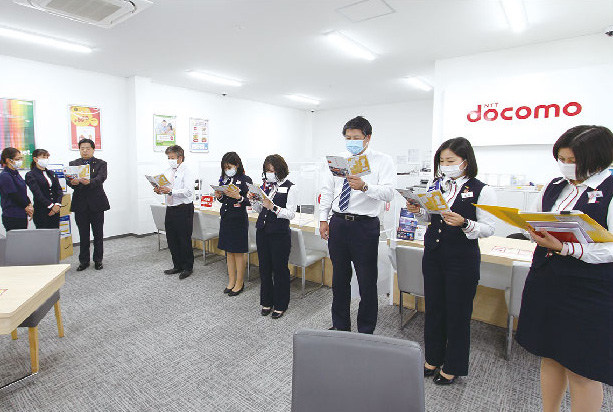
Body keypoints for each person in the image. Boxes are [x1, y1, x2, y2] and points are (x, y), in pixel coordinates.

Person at [515, 126, 613, 412]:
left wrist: (567, 247)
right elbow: (534, 219)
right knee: (550, 354)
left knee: (582, 368)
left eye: (573, 160)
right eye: (562, 159)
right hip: (547, 279)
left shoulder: (608, 189)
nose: (567, 165)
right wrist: (532, 231)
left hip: (588, 288)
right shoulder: (556, 186)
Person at [406, 137, 496, 385]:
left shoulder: (481, 189)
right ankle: (432, 358)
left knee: (457, 313)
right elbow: (430, 219)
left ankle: (453, 365)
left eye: (450, 161)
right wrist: (419, 211)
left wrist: (465, 223)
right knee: (434, 308)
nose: (445, 166)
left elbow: (489, 228)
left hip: (461, 259)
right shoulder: (436, 184)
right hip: (434, 255)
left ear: (465, 161)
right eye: (442, 161)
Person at [319, 116, 395, 334]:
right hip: (338, 223)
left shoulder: (382, 161)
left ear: (367, 138)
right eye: (348, 138)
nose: (351, 142)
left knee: (366, 280)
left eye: (356, 138)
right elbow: (327, 190)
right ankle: (340, 325)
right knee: (339, 278)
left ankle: (366, 329)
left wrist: (365, 186)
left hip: (365, 226)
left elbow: (389, 193)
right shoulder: (338, 160)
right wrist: (323, 219)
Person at [248, 154, 297, 319]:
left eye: (272, 170)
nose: (270, 174)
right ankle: (266, 301)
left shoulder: (290, 187)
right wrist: (254, 201)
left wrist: (273, 207)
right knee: (264, 268)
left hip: (279, 234)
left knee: (280, 269)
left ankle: (281, 304)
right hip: (263, 231)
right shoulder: (266, 187)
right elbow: (260, 210)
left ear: (281, 170)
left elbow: (291, 214)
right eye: (267, 170)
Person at [67, 138, 110, 271]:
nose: (85, 151)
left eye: (87, 148)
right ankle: (84, 261)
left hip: (97, 203)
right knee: (83, 234)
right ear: (79, 149)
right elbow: (69, 180)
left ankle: (98, 260)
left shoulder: (101, 163)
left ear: (93, 149)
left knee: (98, 234)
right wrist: (72, 183)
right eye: (82, 148)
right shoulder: (73, 164)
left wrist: (90, 182)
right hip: (80, 203)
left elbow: (101, 177)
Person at [154, 145, 196, 280]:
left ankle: (187, 267)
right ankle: (177, 265)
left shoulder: (187, 171)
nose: (170, 160)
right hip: (170, 207)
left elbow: (188, 191)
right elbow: (166, 188)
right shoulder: (167, 171)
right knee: (172, 238)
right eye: (168, 157)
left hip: (183, 208)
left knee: (184, 238)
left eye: (172, 158)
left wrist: (171, 191)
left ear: (180, 157)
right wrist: (159, 190)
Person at [214, 152, 252, 296]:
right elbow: (225, 200)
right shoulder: (224, 179)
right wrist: (219, 196)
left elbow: (251, 201)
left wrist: (239, 197)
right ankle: (231, 281)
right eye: (225, 168)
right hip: (226, 217)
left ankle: (239, 283)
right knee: (229, 251)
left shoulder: (245, 179)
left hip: (238, 219)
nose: (227, 170)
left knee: (238, 252)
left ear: (237, 165)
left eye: (229, 167)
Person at [25, 149, 64, 229]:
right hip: (42, 210)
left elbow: (59, 190)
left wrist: (57, 204)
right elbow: (37, 193)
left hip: (56, 210)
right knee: (43, 234)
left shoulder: (51, 173)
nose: (46, 159)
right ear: (35, 159)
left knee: (55, 233)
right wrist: (51, 206)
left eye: (47, 157)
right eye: (43, 157)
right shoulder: (30, 175)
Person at [0, 147, 33, 231]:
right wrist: (26, 207)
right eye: (17, 159)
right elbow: (13, 194)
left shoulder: (16, 174)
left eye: (21, 158)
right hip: (12, 215)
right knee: (16, 238)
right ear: (8, 160)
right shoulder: (5, 175)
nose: (20, 161)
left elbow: (22, 192)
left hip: (21, 214)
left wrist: (29, 204)